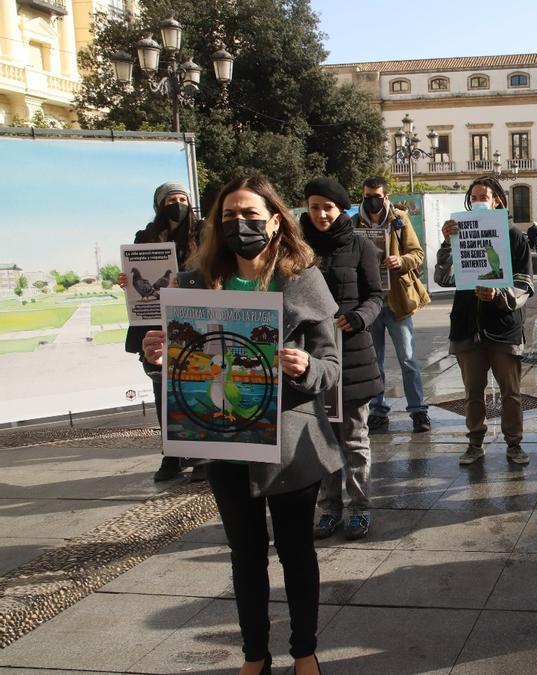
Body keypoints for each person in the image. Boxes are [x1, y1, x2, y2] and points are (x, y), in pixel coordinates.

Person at [143, 175, 340, 675]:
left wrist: (306, 367)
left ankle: (304, 651)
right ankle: (255, 655)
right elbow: (180, 364)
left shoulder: (303, 278)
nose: (240, 225)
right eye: (229, 216)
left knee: (297, 555)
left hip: (292, 441)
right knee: (245, 555)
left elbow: (330, 366)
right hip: (224, 439)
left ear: (275, 220)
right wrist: (157, 359)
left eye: (251, 215)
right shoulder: (192, 283)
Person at [301, 178, 385, 541]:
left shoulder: (361, 246)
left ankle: (360, 507)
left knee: (353, 437)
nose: (321, 214)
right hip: (309, 357)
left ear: (341, 209)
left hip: (352, 357)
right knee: (321, 438)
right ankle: (329, 508)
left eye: (328, 207)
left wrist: (357, 318)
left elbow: (376, 296)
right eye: (314, 206)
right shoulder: (297, 249)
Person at [434, 176, 535, 465]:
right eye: (474, 196)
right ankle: (475, 442)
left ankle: (514, 444)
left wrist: (499, 294)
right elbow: (443, 278)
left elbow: (524, 285)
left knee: (511, 393)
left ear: (497, 201)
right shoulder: (459, 233)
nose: (478, 200)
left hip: (504, 327)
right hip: (467, 325)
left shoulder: (514, 236)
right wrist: (446, 243)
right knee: (472, 392)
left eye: (484, 196)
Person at [119, 181, 206, 482]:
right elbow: (138, 277)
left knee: (196, 383)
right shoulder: (145, 237)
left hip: (193, 319)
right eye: (171, 199)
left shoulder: (203, 232)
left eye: (183, 198)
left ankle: (202, 455)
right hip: (156, 323)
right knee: (162, 389)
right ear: (159, 205)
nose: (178, 203)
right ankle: (172, 454)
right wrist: (125, 280)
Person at [352, 177, 432, 435]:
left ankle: (418, 410)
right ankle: (377, 411)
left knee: (408, 359)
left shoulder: (399, 220)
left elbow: (417, 253)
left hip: (398, 301)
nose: (371, 201)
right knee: (374, 361)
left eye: (376, 196)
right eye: (367, 196)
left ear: (386, 197)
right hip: (370, 304)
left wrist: (401, 260)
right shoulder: (354, 223)